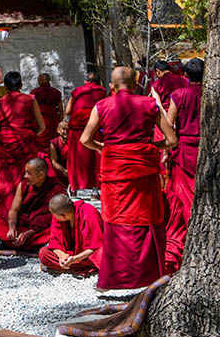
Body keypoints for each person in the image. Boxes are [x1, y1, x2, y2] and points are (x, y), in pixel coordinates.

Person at [81, 66, 176, 291]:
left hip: (115, 171)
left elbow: (85, 139)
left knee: (117, 222)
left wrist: (104, 147)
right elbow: (171, 139)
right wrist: (151, 147)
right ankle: (151, 278)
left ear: (111, 87)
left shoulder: (101, 106)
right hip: (144, 170)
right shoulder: (148, 104)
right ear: (135, 85)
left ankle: (113, 280)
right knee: (147, 219)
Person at [0, 71, 45, 220]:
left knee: (6, 183)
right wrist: (30, 134)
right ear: (21, 85)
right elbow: (42, 127)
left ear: (5, 87)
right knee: (28, 180)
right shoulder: (30, 100)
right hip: (26, 146)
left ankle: (5, 221)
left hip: (6, 147)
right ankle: (28, 220)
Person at [0, 158, 66, 251]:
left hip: (39, 230)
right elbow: (14, 210)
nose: (25, 176)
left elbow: (53, 217)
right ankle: (36, 246)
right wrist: (12, 228)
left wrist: (28, 233)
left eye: (29, 173)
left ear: (41, 175)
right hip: (23, 226)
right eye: (25, 172)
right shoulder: (23, 185)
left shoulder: (56, 189)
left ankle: (12, 244)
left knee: (55, 232)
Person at [165, 58, 202, 220]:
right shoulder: (212, 94)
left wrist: (166, 150)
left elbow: (168, 124)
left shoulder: (179, 95)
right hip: (208, 150)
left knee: (183, 196)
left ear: (185, 75)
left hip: (184, 151)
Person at [39, 194, 103, 276]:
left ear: (63, 215)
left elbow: (96, 246)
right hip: (71, 255)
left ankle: (66, 269)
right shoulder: (60, 215)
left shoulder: (89, 212)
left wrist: (75, 259)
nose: (54, 217)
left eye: (54, 215)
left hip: (88, 255)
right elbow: (55, 242)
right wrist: (62, 257)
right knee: (43, 253)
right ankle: (82, 269)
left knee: (102, 254)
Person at [64, 71, 106, 191]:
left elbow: (68, 111)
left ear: (85, 81)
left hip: (78, 129)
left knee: (76, 158)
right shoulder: (102, 91)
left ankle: (75, 188)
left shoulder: (77, 91)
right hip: (95, 128)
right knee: (95, 158)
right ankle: (95, 189)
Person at [31, 74, 63, 152]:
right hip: (53, 120)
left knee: (40, 142)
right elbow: (61, 109)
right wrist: (60, 120)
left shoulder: (35, 92)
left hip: (40, 120)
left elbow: (31, 108)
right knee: (52, 140)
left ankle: (41, 159)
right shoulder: (55, 92)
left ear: (40, 81)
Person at [48, 122, 71, 188]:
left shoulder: (73, 142)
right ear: (58, 130)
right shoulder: (54, 143)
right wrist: (64, 171)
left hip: (71, 169)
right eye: (63, 129)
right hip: (60, 170)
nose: (66, 131)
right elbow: (54, 161)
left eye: (68, 129)